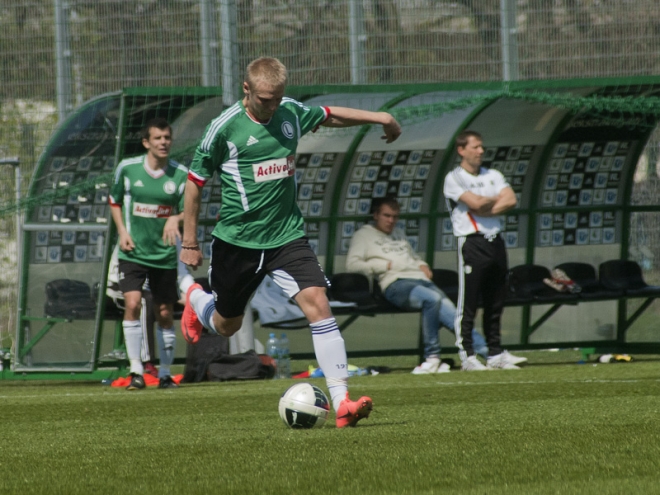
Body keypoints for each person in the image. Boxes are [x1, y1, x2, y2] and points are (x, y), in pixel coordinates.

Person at [179, 56, 401, 427]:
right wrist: (189, 241)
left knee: (318, 302)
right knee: (225, 325)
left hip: (287, 236)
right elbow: (194, 184)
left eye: (278, 98)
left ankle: (342, 402)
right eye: (265, 98)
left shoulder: (289, 112)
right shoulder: (223, 130)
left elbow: (328, 114)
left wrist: (380, 117)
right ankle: (195, 298)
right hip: (238, 242)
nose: (272, 106)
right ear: (246, 89)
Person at [345, 197, 524, 374]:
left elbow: (412, 257)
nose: (391, 220)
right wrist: (383, 265)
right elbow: (352, 265)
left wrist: (422, 264)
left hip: (421, 280)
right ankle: (432, 357)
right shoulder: (364, 235)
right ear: (375, 215)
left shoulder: (398, 233)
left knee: (454, 314)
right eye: (387, 216)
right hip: (395, 284)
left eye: (395, 216)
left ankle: (490, 354)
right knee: (433, 299)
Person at [109, 117, 188, 389]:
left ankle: (165, 373)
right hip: (132, 252)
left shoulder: (180, 175)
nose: (163, 142)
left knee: (164, 312)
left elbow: (192, 208)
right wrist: (123, 232)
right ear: (146, 142)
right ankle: (136, 371)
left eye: (167, 137)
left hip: (163, 255)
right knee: (132, 303)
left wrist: (175, 218)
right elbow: (114, 200)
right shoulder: (128, 169)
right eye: (157, 138)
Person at [443, 130, 521, 370]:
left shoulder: (493, 174)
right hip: (471, 242)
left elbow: (510, 199)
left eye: (481, 147)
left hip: (495, 240)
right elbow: (474, 204)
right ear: (462, 150)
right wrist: (490, 199)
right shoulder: (454, 177)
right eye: (475, 147)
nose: (480, 151)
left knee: (496, 300)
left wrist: (485, 204)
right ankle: (468, 355)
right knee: (469, 302)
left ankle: (495, 354)